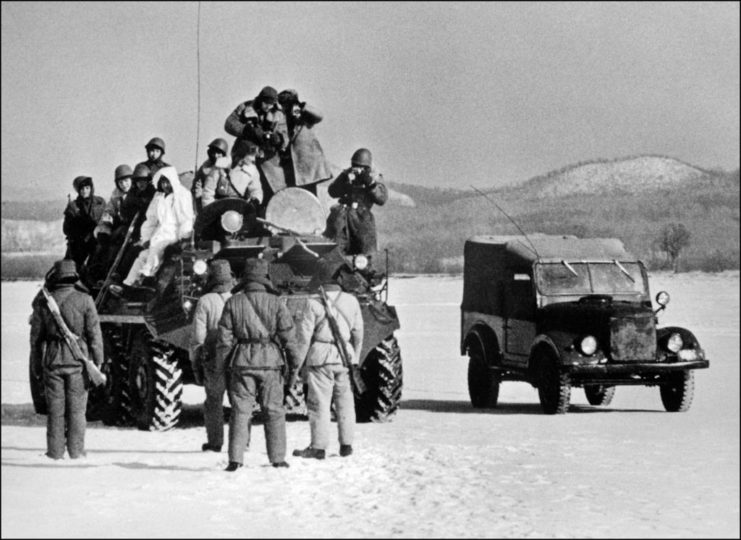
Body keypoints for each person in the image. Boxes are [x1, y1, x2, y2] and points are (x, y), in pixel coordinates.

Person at [216, 258, 301, 471]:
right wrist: (294, 364)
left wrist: (224, 366)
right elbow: (289, 339)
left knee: (240, 411)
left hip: (242, 363)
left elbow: (224, 341)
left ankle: (235, 459)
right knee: (274, 411)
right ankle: (278, 458)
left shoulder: (232, 302)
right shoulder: (277, 303)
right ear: (265, 278)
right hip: (271, 363)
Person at [29, 259, 104, 459]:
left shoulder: (44, 302)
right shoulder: (85, 300)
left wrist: (36, 365)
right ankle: (76, 451)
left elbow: (35, 339)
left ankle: (54, 453)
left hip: (52, 362)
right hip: (78, 361)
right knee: (77, 411)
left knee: (55, 411)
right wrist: (98, 361)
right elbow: (94, 335)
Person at [293, 258, 363, 460]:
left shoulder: (313, 303)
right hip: (345, 358)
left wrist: (297, 365)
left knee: (319, 404)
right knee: (346, 404)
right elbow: (358, 334)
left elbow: (303, 338)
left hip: (320, 358)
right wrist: (355, 359)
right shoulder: (352, 301)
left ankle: (318, 447)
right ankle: (347, 445)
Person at [119, 166, 194, 289]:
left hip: (174, 232)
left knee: (157, 248)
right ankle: (129, 283)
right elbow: (151, 219)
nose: (165, 185)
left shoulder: (182, 194)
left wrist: (184, 238)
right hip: (160, 231)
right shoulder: (158, 196)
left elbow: (186, 218)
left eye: (167, 182)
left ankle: (147, 276)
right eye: (163, 182)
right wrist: (146, 238)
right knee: (143, 254)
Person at [190, 259, 236, 453]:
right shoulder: (239, 298)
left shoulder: (205, 301)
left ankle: (215, 442)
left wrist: (195, 361)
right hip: (237, 358)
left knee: (214, 401)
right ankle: (242, 441)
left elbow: (198, 337)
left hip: (213, 358)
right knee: (240, 401)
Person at [224, 86, 288, 205]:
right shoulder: (246, 107)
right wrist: (246, 130)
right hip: (245, 155)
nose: (267, 107)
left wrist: (277, 139)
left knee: (272, 191)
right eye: (265, 103)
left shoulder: (279, 114)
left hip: (268, 160)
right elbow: (229, 123)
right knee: (238, 187)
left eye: (270, 104)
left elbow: (285, 135)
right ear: (260, 99)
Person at [325, 148, 388, 255]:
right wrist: (343, 177)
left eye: (360, 167)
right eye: (355, 165)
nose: (357, 169)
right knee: (334, 249)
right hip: (342, 216)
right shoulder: (349, 175)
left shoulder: (374, 178)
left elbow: (381, 199)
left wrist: (369, 183)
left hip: (362, 219)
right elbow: (332, 192)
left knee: (364, 254)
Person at [277, 88, 333, 196]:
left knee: (309, 196)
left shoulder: (305, 115)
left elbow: (320, 116)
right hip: (293, 167)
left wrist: (303, 107)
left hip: (308, 166)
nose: (283, 108)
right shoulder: (284, 118)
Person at [88, 164, 134, 282]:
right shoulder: (116, 196)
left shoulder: (136, 194)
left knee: (115, 249)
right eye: (121, 182)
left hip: (132, 229)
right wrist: (104, 229)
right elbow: (108, 213)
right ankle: (95, 276)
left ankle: (112, 276)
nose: (124, 185)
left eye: (126, 181)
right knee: (100, 247)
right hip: (120, 229)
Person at [63, 176, 106, 270]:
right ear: (78, 190)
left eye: (87, 188)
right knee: (72, 266)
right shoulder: (73, 207)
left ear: (91, 188)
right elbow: (66, 230)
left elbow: (106, 219)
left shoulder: (100, 202)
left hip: (97, 238)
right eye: (82, 189)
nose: (85, 191)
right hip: (80, 242)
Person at [214, 140, 263, 206]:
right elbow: (209, 190)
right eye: (251, 155)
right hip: (218, 205)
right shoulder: (221, 164)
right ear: (243, 154)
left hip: (238, 207)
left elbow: (256, 190)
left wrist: (255, 200)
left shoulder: (252, 171)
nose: (253, 159)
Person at [192, 138, 230, 211]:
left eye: (219, 153)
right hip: (206, 204)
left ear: (223, 154)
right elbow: (195, 187)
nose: (216, 156)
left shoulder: (227, 169)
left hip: (225, 204)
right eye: (214, 152)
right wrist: (198, 192)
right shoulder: (204, 169)